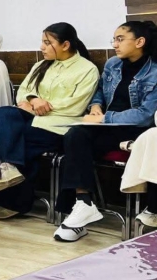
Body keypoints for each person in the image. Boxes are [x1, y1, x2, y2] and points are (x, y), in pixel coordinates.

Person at [53, 21, 157, 242]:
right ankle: (84, 202)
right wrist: (96, 106)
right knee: (75, 135)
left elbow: (145, 115)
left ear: (140, 42)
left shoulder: (154, 71)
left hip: (136, 131)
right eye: (114, 39)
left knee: (77, 145)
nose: (115, 44)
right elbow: (100, 90)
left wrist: (104, 118)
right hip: (106, 127)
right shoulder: (113, 64)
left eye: (120, 39)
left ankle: (78, 212)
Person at [0, 23, 99, 221]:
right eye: (42, 42)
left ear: (65, 45)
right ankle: (8, 170)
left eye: (47, 43)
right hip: (32, 120)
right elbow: (23, 91)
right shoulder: (41, 66)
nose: (42, 47)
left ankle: (12, 199)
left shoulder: (87, 69)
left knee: (15, 140)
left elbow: (75, 106)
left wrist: (39, 107)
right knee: (3, 114)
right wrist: (33, 99)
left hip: (59, 127)